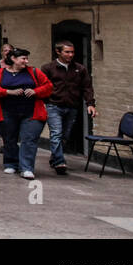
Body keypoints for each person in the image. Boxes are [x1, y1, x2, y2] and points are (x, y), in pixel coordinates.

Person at [0, 47, 53, 179]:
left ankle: (26, 168)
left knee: (29, 139)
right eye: (23, 58)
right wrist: (7, 92)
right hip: (6, 111)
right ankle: (11, 163)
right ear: (13, 59)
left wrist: (36, 91)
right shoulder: (0, 73)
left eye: (27, 58)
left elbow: (48, 86)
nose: (26, 61)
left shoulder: (34, 72)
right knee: (9, 139)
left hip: (32, 112)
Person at [40, 40, 96, 176]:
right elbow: (42, 86)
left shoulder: (80, 69)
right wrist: (43, 102)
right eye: (67, 52)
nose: (70, 55)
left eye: (72, 52)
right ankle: (59, 162)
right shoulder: (48, 68)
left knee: (65, 135)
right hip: (53, 105)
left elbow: (87, 87)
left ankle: (54, 157)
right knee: (57, 133)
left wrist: (90, 104)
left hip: (72, 106)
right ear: (58, 52)